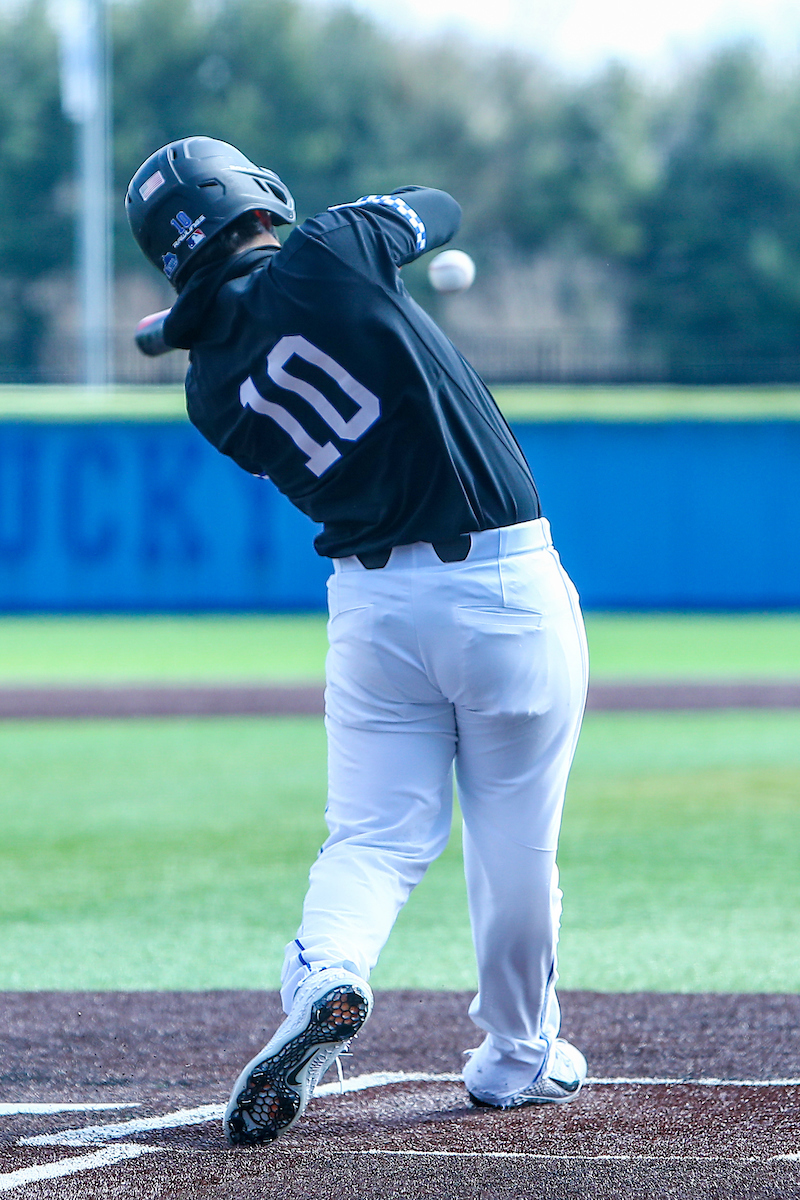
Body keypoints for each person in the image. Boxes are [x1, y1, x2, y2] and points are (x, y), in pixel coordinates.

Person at [126, 136, 590, 1147]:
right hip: (502, 585)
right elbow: (439, 203)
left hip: (371, 612)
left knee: (372, 839)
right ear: (255, 192)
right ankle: (517, 1056)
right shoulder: (331, 248)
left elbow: (251, 326)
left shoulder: (208, 390)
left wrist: (199, 319)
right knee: (513, 841)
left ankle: (328, 974)